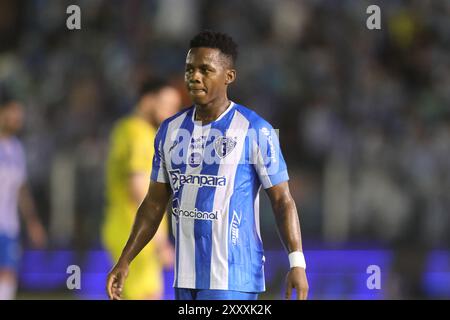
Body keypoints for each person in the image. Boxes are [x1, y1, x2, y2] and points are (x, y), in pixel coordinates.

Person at [107, 31, 309, 300]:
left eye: (205, 69)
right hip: (185, 275)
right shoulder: (169, 131)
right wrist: (125, 259)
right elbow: (154, 203)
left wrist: (297, 262)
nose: (195, 76)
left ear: (229, 76)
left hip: (233, 276)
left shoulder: (255, 130)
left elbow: (282, 200)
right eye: (190, 69)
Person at [102, 78, 181, 299]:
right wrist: (159, 242)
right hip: (134, 231)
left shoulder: (136, 131)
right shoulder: (136, 131)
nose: (171, 112)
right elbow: (138, 187)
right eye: (166, 105)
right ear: (147, 101)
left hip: (130, 229)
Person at [0, 87, 47, 300]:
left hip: (8, 226)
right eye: (13, 112)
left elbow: (20, 188)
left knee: (8, 274)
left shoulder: (16, 148)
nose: (18, 118)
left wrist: (32, 222)